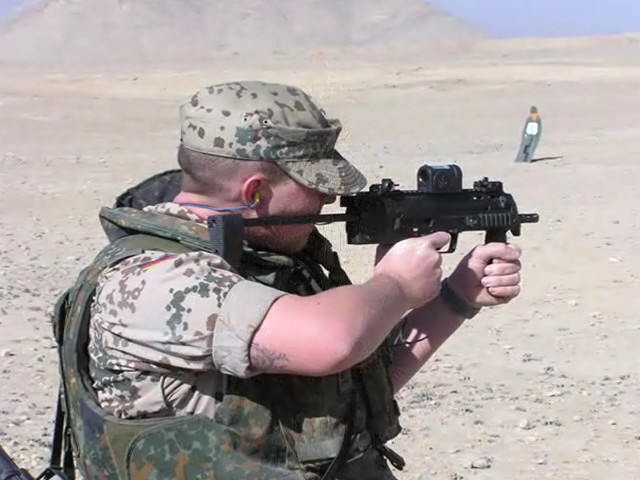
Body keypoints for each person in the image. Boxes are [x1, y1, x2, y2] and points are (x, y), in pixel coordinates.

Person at [55, 80, 523, 480]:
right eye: (314, 184)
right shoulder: (154, 281)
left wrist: (456, 297)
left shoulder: (267, 260)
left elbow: (352, 394)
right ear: (255, 192)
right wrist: (395, 285)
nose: (327, 199)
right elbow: (333, 343)